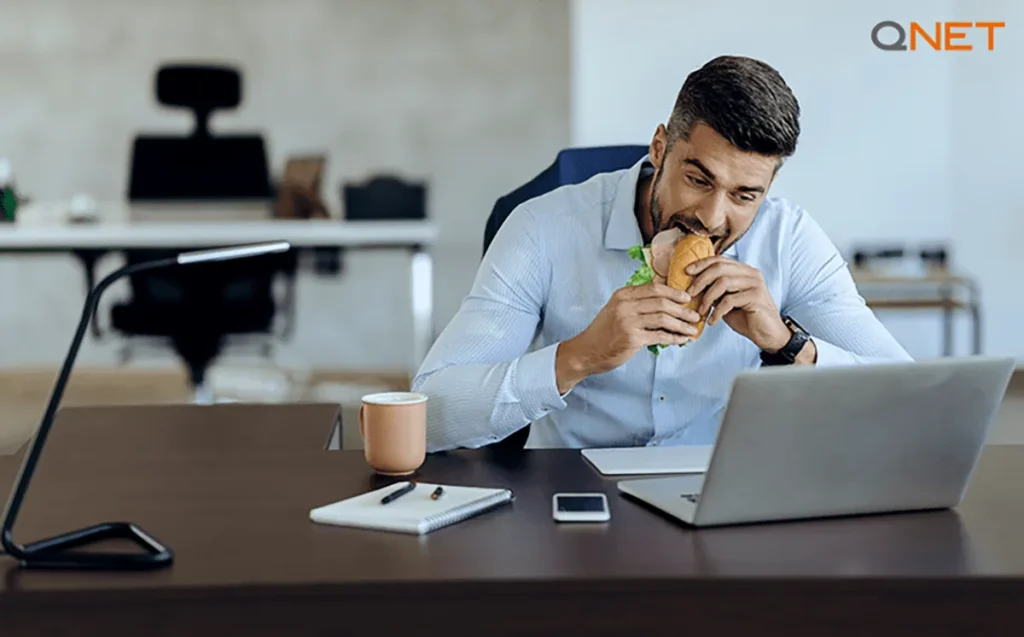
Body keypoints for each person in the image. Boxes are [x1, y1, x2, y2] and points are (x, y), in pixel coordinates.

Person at [413, 55, 912, 452]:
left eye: (744, 195)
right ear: (659, 148)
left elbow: (908, 401)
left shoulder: (790, 239)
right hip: (571, 494)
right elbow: (427, 415)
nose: (714, 219)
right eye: (699, 180)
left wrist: (784, 342)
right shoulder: (543, 228)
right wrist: (578, 357)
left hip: (723, 493)